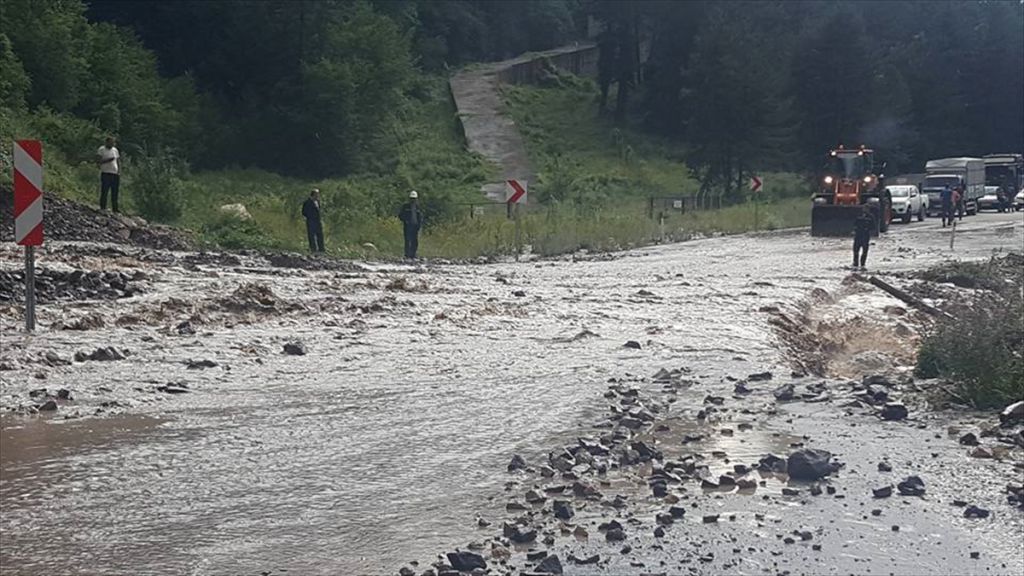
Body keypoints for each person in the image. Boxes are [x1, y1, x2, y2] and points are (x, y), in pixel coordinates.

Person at [96, 136, 121, 212]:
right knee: (105, 190)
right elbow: (98, 161)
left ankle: (115, 208)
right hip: (106, 173)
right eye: (111, 142)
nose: (112, 144)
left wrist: (119, 171)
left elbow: (118, 161)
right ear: (107, 142)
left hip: (115, 173)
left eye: (113, 143)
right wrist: (108, 160)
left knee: (115, 192)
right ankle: (103, 207)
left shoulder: (115, 150)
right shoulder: (101, 149)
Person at [398, 190, 422, 259]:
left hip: (415, 226)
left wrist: (419, 225)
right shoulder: (405, 206)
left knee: (415, 241)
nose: (413, 200)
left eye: (414, 199)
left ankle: (413, 254)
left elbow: (420, 217)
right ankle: (407, 254)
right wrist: (405, 221)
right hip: (407, 226)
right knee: (407, 240)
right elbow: (400, 215)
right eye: (412, 198)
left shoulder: (417, 207)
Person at [302, 188, 325, 253]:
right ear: (313, 194)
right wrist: (310, 217)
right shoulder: (307, 202)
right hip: (311, 221)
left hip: (318, 221)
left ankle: (321, 249)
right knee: (311, 235)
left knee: (320, 235)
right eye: (317, 194)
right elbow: (304, 212)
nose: (318, 196)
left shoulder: (318, 202)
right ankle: (313, 249)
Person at [852, 205, 873, 270]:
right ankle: (855, 263)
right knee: (855, 250)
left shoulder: (871, 217)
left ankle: (862, 264)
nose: (865, 210)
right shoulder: (859, 215)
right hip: (858, 235)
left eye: (866, 209)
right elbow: (855, 224)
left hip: (865, 236)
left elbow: (873, 226)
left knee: (864, 251)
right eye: (864, 208)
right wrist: (854, 230)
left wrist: (867, 229)